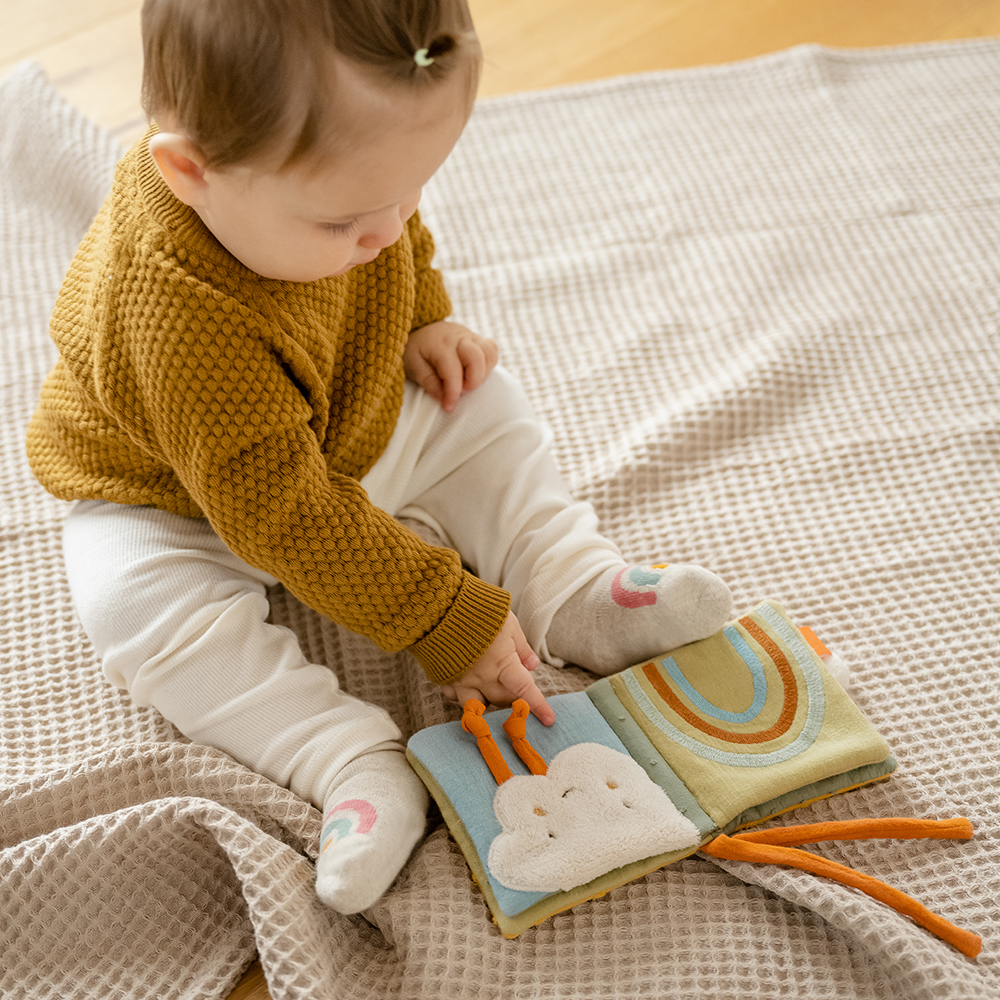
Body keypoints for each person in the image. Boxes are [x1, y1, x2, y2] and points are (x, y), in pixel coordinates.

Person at [26, 0, 733, 914]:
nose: (390, 230)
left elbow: (395, 231)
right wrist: (441, 613)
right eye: (350, 220)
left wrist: (424, 315)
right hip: (182, 505)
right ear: (190, 171)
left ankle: (569, 580)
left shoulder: (331, 192)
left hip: (344, 419)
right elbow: (285, 513)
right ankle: (342, 759)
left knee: (479, 406)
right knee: (139, 612)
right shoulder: (172, 311)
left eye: (412, 190)